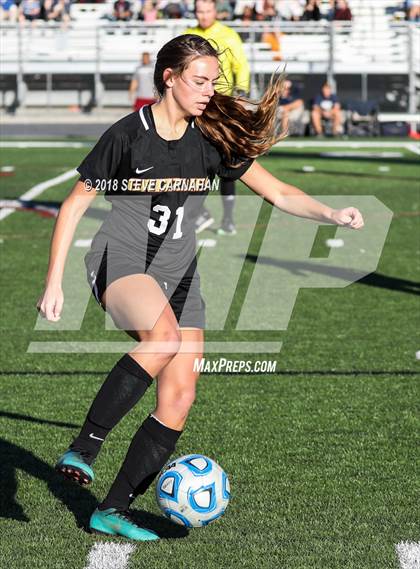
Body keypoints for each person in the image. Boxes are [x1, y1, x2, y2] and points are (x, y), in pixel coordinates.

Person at [37, 34, 364, 542]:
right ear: (169, 78)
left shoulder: (209, 139)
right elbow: (75, 203)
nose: (210, 90)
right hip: (120, 261)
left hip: (179, 272)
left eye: (214, 81)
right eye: (199, 80)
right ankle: (85, 446)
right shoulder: (128, 135)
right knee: (163, 340)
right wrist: (53, 281)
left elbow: (276, 191)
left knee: (180, 396)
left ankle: (112, 509)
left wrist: (330, 213)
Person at [185, 0, 250, 235]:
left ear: (215, 11)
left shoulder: (228, 35)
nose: (203, 16)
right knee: (189, 159)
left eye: (207, 11)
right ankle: (198, 212)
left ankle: (228, 219)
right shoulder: (188, 35)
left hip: (222, 109)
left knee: (227, 162)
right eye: (199, 11)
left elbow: (240, 66)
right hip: (195, 109)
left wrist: (240, 96)